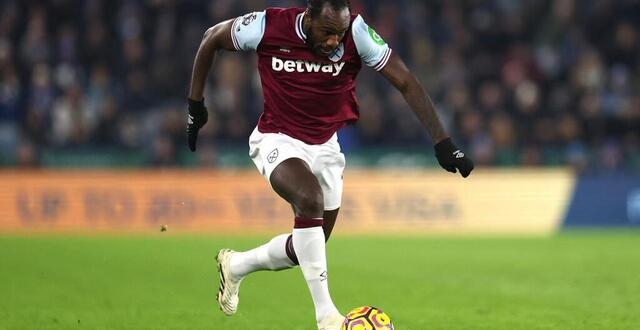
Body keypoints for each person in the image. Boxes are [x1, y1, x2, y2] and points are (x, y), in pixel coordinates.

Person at [186, 1, 474, 329]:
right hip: (277, 138)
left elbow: (405, 80)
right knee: (310, 200)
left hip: (326, 147)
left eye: (339, 33)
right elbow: (211, 38)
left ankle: (236, 265)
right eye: (326, 32)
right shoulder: (268, 26)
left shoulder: (358, 33)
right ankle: (327, 318)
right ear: (308, 18)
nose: (333, 42)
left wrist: (443, 142)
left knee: (310, 246)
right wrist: (196, 106)